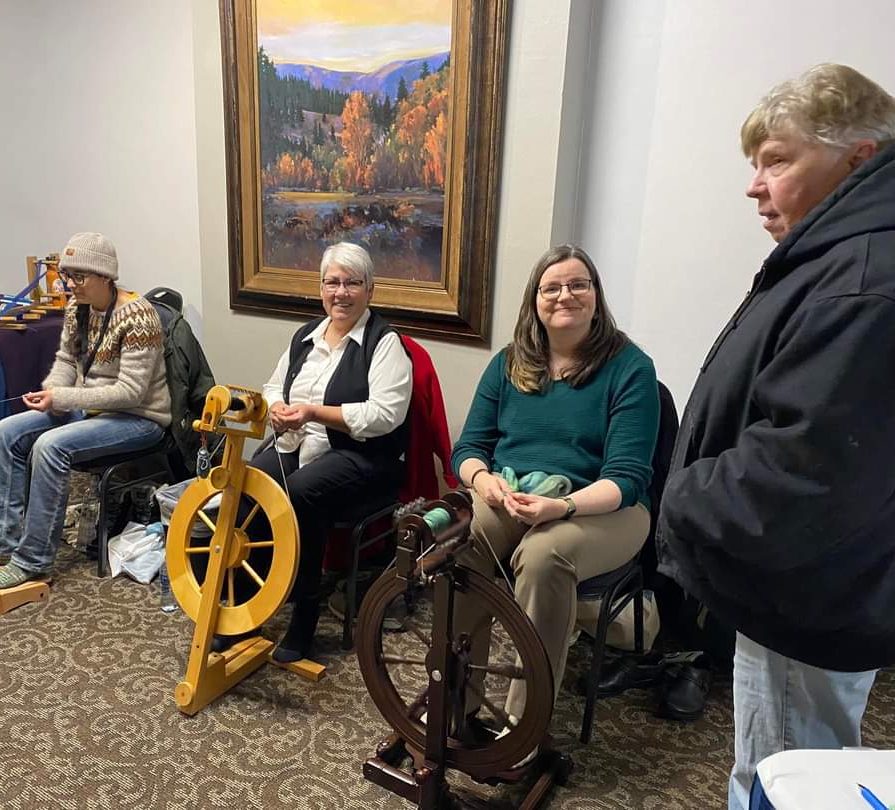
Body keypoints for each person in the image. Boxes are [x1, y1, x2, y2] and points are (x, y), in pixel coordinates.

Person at [655, 63, 895, 810]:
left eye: (776, 160)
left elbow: (802, 473)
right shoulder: (842, 258)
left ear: (857, 157)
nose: (755, 186)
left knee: (785, 781)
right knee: (782, 767)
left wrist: (679, 495)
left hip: (805, 591)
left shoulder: (860, 280)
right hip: (811, 584)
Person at [451, 244, 659, 750]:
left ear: (595, 296)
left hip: (606, 507)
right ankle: (456, 703)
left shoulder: (630, 368)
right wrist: (485, 483)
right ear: (535, 300)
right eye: (552, 287)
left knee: (545, 555)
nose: (565, 295)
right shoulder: (508, 364)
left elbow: (627, 478)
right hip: (515, 494)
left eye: (578, 284)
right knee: (455, 542)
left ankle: (522, 728)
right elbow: (468, 449)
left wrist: (562, 508)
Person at [0, 232, 171, 589]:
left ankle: (33, 560)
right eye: (67, 275)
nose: (69, 284)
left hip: (139, 419)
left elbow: (131, 393)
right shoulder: (77, 309)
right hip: (90, 409)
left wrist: (64, 398)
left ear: (105, 277)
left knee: (49, 446)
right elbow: (65, 361)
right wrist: (51, 390)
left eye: (78, 277)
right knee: (4, 433)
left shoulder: (140, 317)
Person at [253, 241, 412, 663]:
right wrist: (277, 409)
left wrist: (314, 412)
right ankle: (253, 601)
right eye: (332, 282)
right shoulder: (305, 335)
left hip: (365, 456)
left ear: (370, 290)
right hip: (300, 443)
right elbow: (273, 385)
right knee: (253, 482)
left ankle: (305, 613)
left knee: (303, 491)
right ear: (321, 288)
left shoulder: (385, 344)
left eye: (351, 283)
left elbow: (385, 416)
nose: (341, 292)